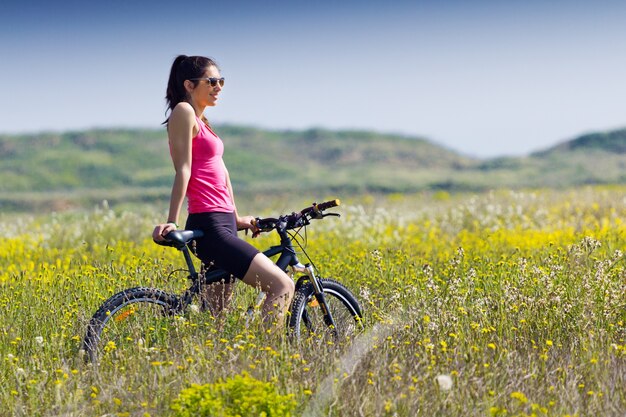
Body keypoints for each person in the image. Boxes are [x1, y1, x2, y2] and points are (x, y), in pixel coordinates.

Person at [152, 55, 295, 324]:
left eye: (221, 81)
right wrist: (171, 220)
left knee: (218, 320)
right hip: (211, 227)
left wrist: (237, 218)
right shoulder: (184, 111)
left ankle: (216, 362)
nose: (219, 87)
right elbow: (184, 169)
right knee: (282, 286)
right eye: (212, 81)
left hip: (223, 222)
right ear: (190, 85)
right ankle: (268, 359)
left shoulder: (204, 123)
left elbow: (221, 175)